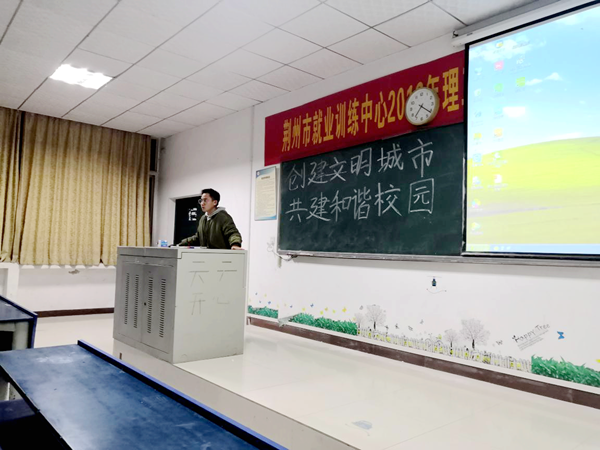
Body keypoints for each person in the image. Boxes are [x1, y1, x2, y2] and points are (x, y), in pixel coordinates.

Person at [178, 188, 242, 250]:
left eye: (205, 200)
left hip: (220, 255)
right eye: (201, 200)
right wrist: (180, 244)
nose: (202, 203)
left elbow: (232, 233)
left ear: (215, 202)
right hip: (206, 255)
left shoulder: (223, 217)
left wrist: (235, 245)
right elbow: (198, 238)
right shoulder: (203, 219)